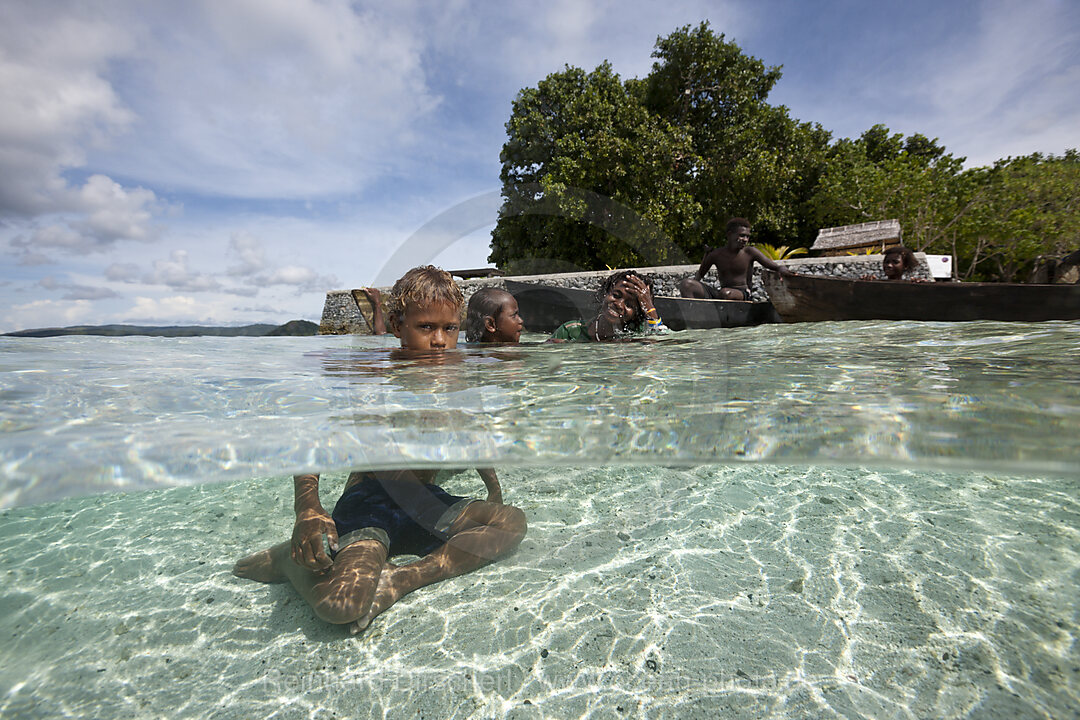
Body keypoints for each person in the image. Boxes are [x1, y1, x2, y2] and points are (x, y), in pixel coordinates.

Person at [233, 265, 527, 634]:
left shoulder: (458, 372)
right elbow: (314, 433)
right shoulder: (373, 373)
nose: (439, 341)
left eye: (449, 329)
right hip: (372, 500)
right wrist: (308, 508)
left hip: (425, 502)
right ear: (396, 325)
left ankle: (401, 580)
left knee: (511, 522)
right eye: (425, 327)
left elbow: (473, 432)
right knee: (341, 607)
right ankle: (290, 563)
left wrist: (493, 488)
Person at [678, 217, 795, 300]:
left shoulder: (750, 252)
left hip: (742, 293)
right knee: (686, 284)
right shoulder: (716, 254)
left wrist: (783, 270)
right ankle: (693, 315)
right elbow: (698, 278)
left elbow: (774, 266)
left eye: (747, 236)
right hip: (722, 293)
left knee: (725, 293)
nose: (745, 239)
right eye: (741, 235)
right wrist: (706, 256)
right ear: (729, 235)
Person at [549, 270, 666, 342]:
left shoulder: (640, 333)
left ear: (636, 314)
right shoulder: (570, 332)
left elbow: (658, 348)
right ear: (605, 293)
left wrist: (649, 306)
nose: (619, 305)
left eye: (629, 305)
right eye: (616, 295)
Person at [859, 245, 923, 281]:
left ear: (905, 265)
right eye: (887, 262)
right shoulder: (876, 285)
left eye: (895, 262)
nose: (889, 265)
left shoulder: (911, 286)